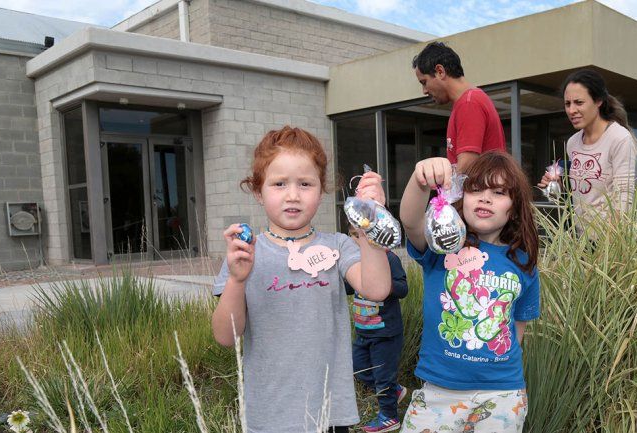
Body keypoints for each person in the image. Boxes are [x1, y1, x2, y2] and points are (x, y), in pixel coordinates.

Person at [211, 126, 392, 433]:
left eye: (305, 184)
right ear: (258, 191)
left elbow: (376, 289)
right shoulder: (244, 254)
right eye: (279, 183)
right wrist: (237, 281)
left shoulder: (337, 245)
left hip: (328, 414)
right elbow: (226, 337)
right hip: (268, 416)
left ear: (322, 191)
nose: (292, 195)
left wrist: (372, 224)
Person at [398, 151, 540, 433]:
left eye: (498, 192)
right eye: (476, 189)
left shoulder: (523, 263)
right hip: (439, 389)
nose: (485, 198)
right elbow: (411, 221)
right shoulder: (443, 246)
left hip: (501, 393)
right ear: (462, 197)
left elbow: (516, 329)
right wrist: (420, 180)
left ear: (513, 208)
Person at [537, 69, 637, 224]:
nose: (571, 110)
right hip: (580, 239)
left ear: (598, 101)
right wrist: (557, 185)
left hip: (610, 240)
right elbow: (579, 192)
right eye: (567, 104)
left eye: (579, 103)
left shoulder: (619, 138)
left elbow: (624, 196)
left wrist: (611, 242)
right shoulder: (573, 142)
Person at [345, 226, 409, 433]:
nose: (359, 240)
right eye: (355, 236)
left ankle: (389, 417)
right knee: (358, 368)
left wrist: (382, 283)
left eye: (364, 236)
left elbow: (403, 288)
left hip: (385, 333)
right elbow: (348, 288)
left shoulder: (388, 259)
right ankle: (394, 391)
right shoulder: (355, 260)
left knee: (383, 377)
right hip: (363, 330)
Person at [412, 41, 506, 173]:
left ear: (440, 71)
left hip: (481, 191)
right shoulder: (470, 100)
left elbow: (466, 169)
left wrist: (446, 191)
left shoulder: (469, 103)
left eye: (424, 82)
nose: (424, 91)